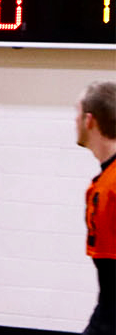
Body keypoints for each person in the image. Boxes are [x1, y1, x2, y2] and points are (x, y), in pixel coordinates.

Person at [77, 81, 116, 335]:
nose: (75, 121)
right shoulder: (103, 181)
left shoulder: (112, 185)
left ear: (89, 120)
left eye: (76, 114)